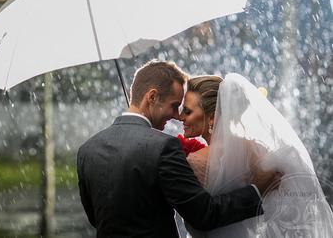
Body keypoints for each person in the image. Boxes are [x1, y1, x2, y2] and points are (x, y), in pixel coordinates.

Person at [77, 60, 278, 238]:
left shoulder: (87, 150)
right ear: (152, 97)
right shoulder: (162, 147)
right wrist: (256, 190)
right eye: (174, 106)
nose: (176, 115)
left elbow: (96, 218)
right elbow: (204, 215)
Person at [179, 73, 333, 237]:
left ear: (211, 118)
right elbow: (286, 212)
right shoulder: (258, 151)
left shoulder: (197, 161)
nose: (181, 117)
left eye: (187, 112)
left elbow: (196, 224)